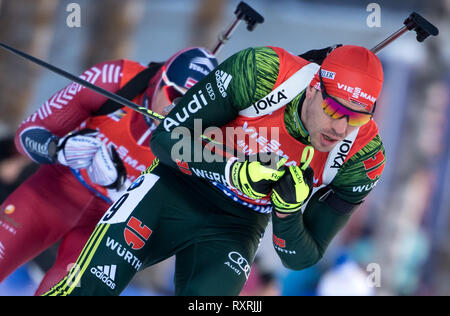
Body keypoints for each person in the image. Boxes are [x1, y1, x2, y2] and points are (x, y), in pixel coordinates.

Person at [45, 44, 386, 296]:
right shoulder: (262, 71)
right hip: (174, 191)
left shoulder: (364, 158)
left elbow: (299, 258)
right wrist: (233, 171)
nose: (341, 128)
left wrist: (288, 212)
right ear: (314, 88)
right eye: (333, 109)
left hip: (235, 227)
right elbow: (165, 139)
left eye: (357, 117)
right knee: (85, 291)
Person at [0, 47, 218, 295]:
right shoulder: (115, 79)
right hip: (51, 194)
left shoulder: (202, 141)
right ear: (160, 80)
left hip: (104, 233)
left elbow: (172, 229)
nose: (178, 113)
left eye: (192, 107)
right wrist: (58, 148)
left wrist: (122, 189)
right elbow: (27, 133)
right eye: (174, 96)